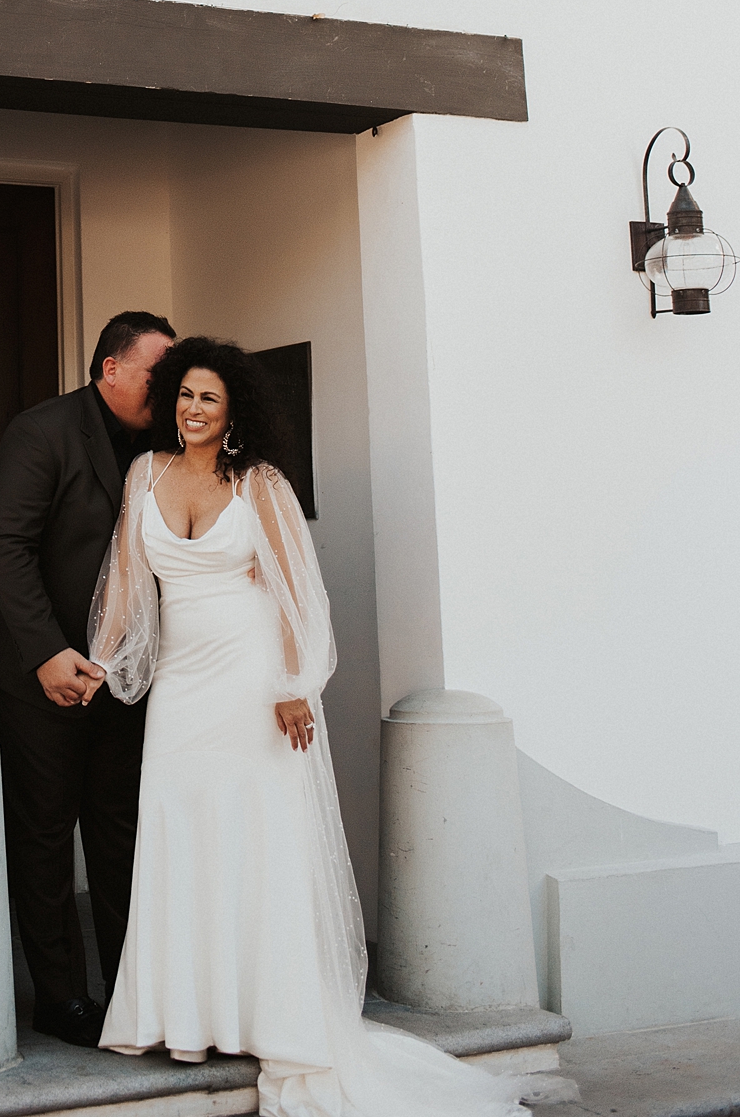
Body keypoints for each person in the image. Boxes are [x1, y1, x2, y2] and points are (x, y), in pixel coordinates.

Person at [89, 336, 524, 1117]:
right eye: (184, 395)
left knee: (259, 838)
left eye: (208, 399)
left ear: (233, 412)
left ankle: (271, 1014)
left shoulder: (260, 484)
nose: (192, 410)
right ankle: (183, 1016)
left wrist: (294, 685)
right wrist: (98, 661)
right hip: (181, 688)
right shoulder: (143, 473)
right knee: (180, 831)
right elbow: (126, 577)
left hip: (254, 682)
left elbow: (297, 593)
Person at [0, 310, 177, 1048]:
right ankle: (58, 1000)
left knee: (121, 832)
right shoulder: (42, 430)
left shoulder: (167, 441)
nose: (171, 387)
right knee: (44, 833)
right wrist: (47, 653)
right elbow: (6, 544)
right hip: (40, 670)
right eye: (157, 372)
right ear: (110, 369)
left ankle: (132, 988)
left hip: (126, 671)